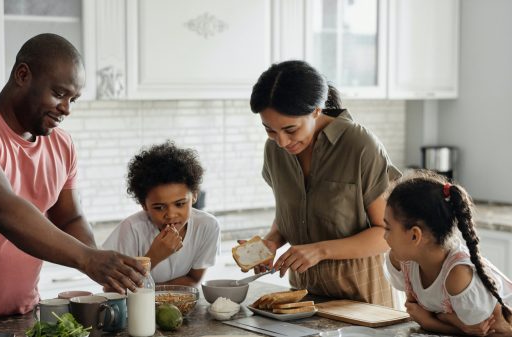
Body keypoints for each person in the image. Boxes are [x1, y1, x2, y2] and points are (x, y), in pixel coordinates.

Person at [0, 33, 145, 325]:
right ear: (22, 75)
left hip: (22, 316)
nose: (67, 108)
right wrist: (87, 259)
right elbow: (1, 208)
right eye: (59, 94)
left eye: (73, 99)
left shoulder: (62, 145)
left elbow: (70, 217)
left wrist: (102, 265)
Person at [247, 60, 401, 306]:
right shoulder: (274, 151)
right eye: (270, 130)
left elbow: (388, 234)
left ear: (317, 110)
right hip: (304, 299)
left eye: (291, 129)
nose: (282, 142)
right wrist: (271, 242)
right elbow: (291, 216)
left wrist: (319, 251)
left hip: (363, 299)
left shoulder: (359, 145)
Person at [383, 170, 512, 336]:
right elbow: (417, 309)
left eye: (388, 228)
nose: (384, 236)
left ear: (415, 235)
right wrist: (449, 320)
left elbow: (499, 332)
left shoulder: (459, 276)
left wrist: (431, 322)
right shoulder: (404, 260)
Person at [102, 141, 220, 286]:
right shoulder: (131, 229)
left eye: (180, 204)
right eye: (159, 207)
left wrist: (156, 293)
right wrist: (154, 257)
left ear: (194, 195)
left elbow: (193, 280)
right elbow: (112, 289)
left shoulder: (207, 226)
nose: (170, 215)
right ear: (144, 205)